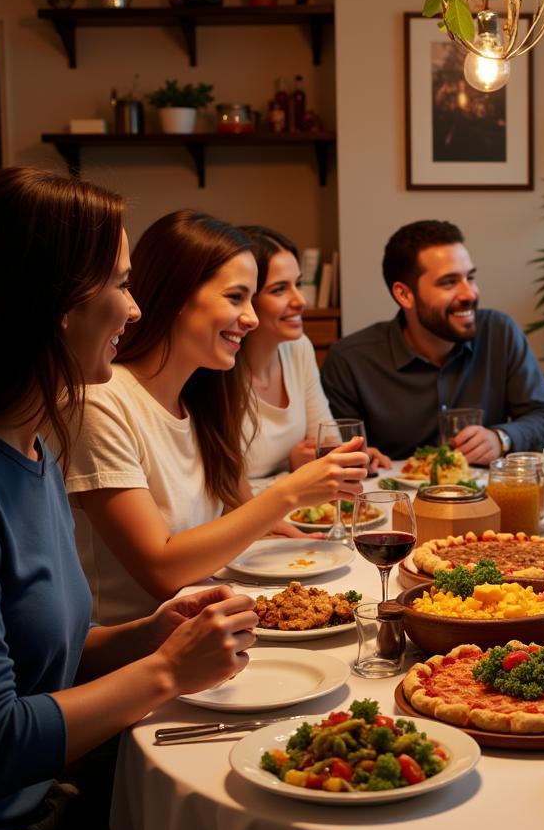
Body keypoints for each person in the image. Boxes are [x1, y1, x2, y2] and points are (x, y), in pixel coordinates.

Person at [0, 167, 257, 830]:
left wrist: (149, 635)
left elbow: (45, 654)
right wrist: (167, 671)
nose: (135, 309)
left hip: (51, 797)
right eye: (118, 282)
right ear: (52, 300)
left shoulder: (36, 447)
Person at [66, 210, 369, 626]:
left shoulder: (201, 398)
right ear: (175, 296)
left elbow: (228, 517)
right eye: (235, 297)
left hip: (213, 636)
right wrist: (290, 494)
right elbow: (161, 570)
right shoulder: (101, 402)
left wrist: (268, 527)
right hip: (134, 658)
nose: (252, 318)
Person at [320, 219, 544, 463]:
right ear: (404, 294)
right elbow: (338, 455)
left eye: (470, 278)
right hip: (394, 499)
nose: (469, 294)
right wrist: (361, 458)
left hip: (485, 497)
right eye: (449, 282)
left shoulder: (500, 333)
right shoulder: (350, 361)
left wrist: (501, 438)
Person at [237, 225, 390, 482]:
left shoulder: (298, 348)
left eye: (298, 284)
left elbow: (326, 440)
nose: (301, 301)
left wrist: (349, 455)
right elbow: (221, 492)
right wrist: (294, 469)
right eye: (279, 290)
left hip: (300, 505)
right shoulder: (217, 368)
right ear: (244, 298)